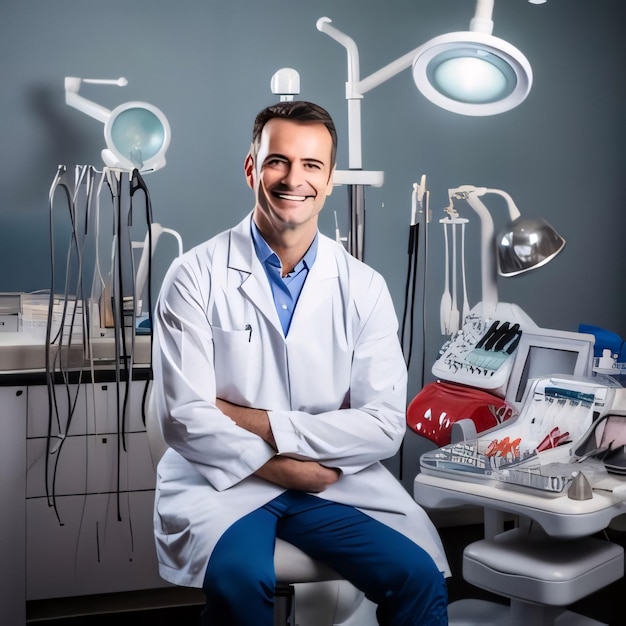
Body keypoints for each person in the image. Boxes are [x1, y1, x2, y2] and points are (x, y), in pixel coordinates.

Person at [150, 100, 450, 625]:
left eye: (312, 165)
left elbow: (382, 425)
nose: (294, 179)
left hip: (332, 481)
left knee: (418, 577)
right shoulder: (193, 274)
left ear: (331, 179)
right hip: (226, 478)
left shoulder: (363, 286)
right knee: (240, 583)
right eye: (277, 161)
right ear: (251, 168)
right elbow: (183, 417)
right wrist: (283, 467)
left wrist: (253, 420)